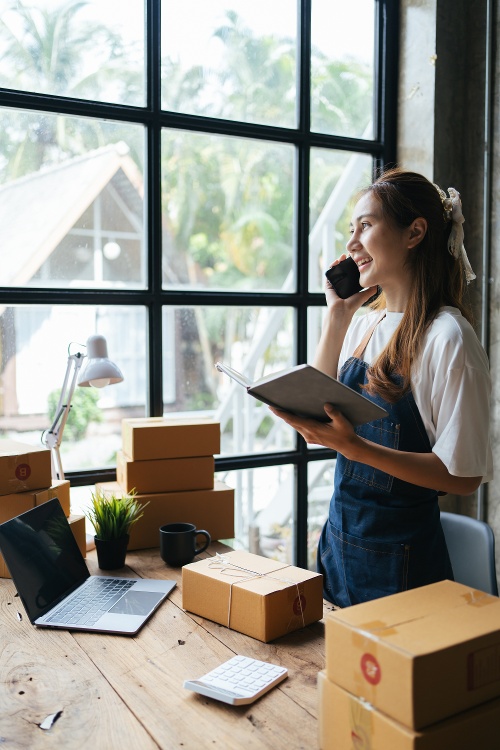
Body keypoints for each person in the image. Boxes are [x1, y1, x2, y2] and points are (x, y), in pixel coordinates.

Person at [270, 168, 493, 608]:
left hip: (404, 570)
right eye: (350, 230)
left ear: (415, 233)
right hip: (339, 547)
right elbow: (320, 407)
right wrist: (337, 317)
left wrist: (356, 449)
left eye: (365, 226)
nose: (351, 243)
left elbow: (464, 477)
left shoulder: (448, 337)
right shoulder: (364, 323)